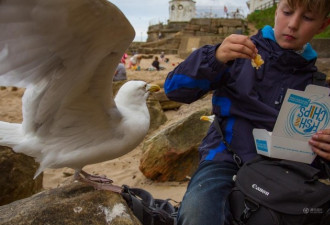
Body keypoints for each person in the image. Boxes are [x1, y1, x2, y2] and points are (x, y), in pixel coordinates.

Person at [164, 0, 330, 224]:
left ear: (323, 26)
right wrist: (215, 57)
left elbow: (315, 152)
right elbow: (174, 90)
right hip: (224, 159)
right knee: (198, 214)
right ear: (277, 10)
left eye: (307, 18)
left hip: (284, 170)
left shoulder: (319, 87)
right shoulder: (237, 55)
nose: (293, 24)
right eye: (287, 12)